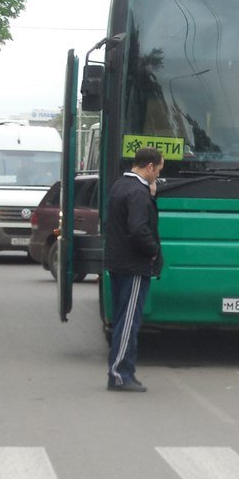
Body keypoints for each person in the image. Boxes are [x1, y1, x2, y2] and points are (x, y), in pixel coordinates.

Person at [103, 146, 164, 392]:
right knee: (128, 322)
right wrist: (154, 250)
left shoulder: (120, 185)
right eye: (158, 170)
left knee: (121, 320)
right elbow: (138, 229)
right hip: (134, 265)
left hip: (118, 263)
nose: (158, 175)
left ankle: (123, 371)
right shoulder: (138, 193)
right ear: (149, 167)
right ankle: (120, 374)